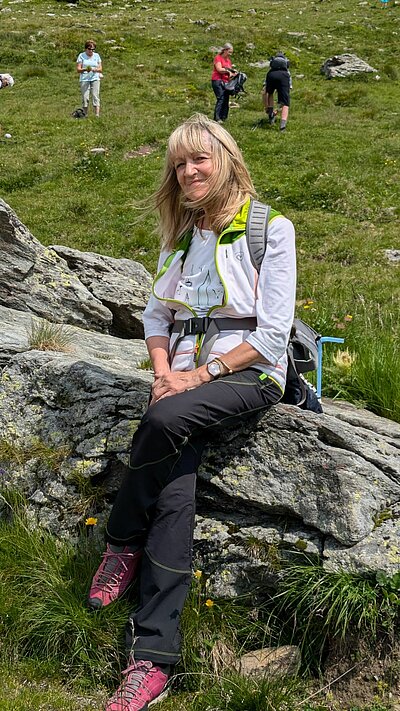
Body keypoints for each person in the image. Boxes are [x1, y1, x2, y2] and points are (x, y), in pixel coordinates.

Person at [87, 113, 296, 711]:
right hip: (179, 382)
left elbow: (274, 336)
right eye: (179, 164)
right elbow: (157, 320)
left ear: (225, 157)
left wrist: (196, 376)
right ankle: (152, 661)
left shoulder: (269, 229)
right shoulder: (181, 236)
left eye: (198, 159)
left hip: (248, 376)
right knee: (176, 490)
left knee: (160, 423)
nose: (188, 172)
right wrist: (162, 374)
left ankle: (122, 540)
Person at [263, 52, 292, 131]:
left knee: (270, 94)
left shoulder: (271, 70)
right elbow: (289, 87)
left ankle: (271, 115)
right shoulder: (286, 70)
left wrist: (266, 107)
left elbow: (265, 90)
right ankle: (282, 127)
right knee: (285, 103)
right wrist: (279, 109)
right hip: (284, 77)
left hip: (271, 76)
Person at [211, 42, 237, 123]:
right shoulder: (218, 58)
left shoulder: (228, 61)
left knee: (226, 99)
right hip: (217, 80)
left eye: (231, 52)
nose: (230, 54)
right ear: (225, 50)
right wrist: (228, 71)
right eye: (229, 52)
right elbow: (219, 69)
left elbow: (229, 73)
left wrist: (233, 74)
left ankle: (224, 117)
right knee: (221, 98)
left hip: (226, 81)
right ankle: (217, 117)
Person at [76, 39, 102, 117]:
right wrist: (85, 69)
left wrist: (95, 70)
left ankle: (97, 114)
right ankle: (85, 114)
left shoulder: (97, 56)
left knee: (95, 95)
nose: (91, 51)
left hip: (95, 78)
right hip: (84, 78)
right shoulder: (81, 55)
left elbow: (100, 69)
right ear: (86, 49)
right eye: (89, 49)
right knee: (85, 97)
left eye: (93, 49)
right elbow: (78, 69)